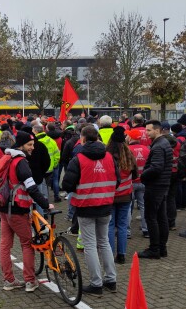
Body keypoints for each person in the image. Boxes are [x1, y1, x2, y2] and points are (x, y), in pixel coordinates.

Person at [62, 125, 119, 296]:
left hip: (86, 207)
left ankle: (96, 283)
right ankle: (111, 279)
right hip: (106, 205)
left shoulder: (78, 159)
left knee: (90, 245)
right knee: (104, 242)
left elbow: (67, 184)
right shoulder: (109, 156)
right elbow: (118, 179)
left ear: (83, 138)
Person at [0, 131, 53, 293]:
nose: (32, 148)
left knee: (5, 245)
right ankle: (30, 281)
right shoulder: (21, 162)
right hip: (17, 209)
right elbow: (32, 188)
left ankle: (8, 280)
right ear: (21, 145)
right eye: (29, 145)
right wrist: (45, 204)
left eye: (33, 145)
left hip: (3, 208)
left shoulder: (6, 158)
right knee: (28, 244)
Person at [138, 120, 172, 259]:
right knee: (161, 217)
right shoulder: (164, 143)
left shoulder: (158, 146)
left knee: (151, 218)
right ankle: (161, 248)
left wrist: (143, 175)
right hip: (162, 185)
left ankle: (154, 249)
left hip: (155, 186)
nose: (146, 133)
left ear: (157, 130)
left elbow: (156, 167)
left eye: (149, 130)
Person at [106, 127, 137, 264]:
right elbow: (135, 174)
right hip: (126, 195)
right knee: (123, 225)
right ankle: (122, 255)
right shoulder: (129, 154)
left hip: (111, 196)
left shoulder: (107, 157)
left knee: (110, 226)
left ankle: (110, 255)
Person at [32, 124, 61, 203]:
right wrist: (54, 164)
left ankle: (44, 203)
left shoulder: (35, 142)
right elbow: (57, 154)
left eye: (33, 131)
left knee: (42, 187)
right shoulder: (51, 140)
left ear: (36, 131)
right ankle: (51, 198)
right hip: (51, 168)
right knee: (49, 184)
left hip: (41, 169)